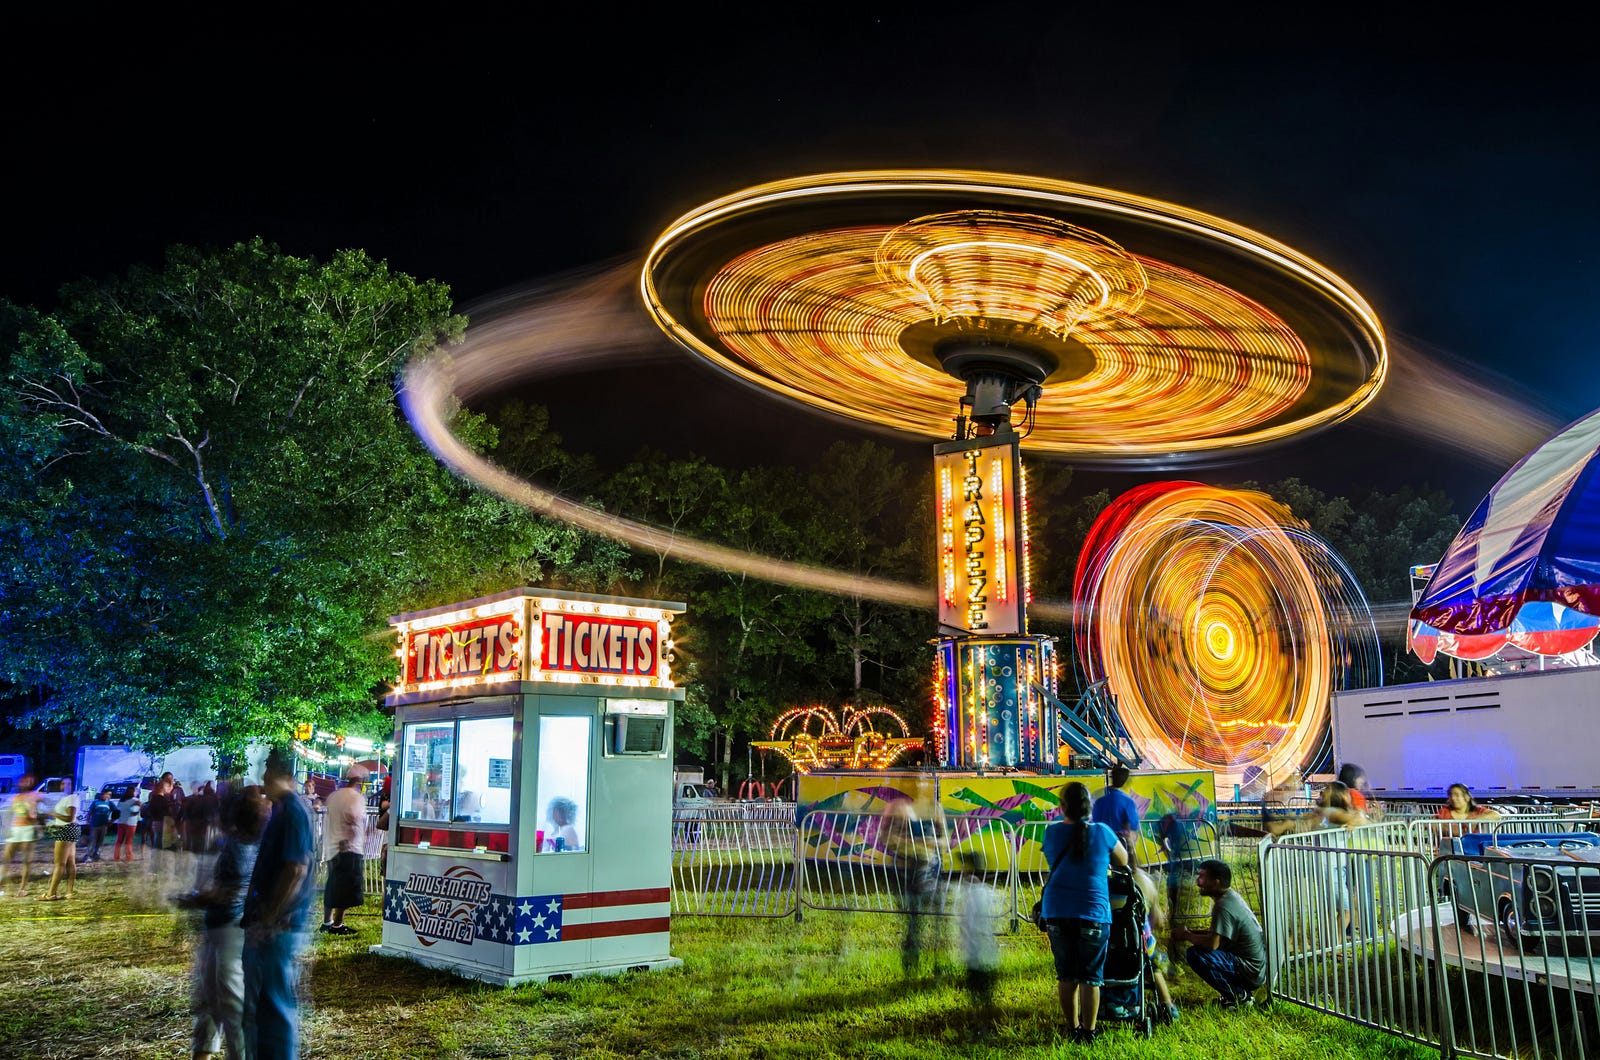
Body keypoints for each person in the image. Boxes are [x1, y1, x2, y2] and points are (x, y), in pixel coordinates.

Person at [241, 748, 317, 1060]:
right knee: (263, 1005)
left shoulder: (293, 811)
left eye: (267, 769)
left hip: (279, 928)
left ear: (280, 772)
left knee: (273, 1007)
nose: (262, 777)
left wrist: (269, 919)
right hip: (272, 925)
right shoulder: (283, 809)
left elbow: (295, 869)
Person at [1042, 781, 1128, 1043]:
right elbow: (1122, 861)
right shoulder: (1102, 832)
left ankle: (1072, 1028)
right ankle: (1089, 1032)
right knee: (1092, 976)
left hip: (1056, 911)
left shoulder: (1051, 832)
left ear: (1062, 807)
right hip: (1092, 911)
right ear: (1089, 807)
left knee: (1066, 975)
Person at [187, 784, 266, 1060]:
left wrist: (192, 899)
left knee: (231, 1004)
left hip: (230, 929)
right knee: (211, 999)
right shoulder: (243, 841)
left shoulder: (240, 845)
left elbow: (225, 893)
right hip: (222, 927)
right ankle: (203, 1052)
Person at [1171, 859, 1265, 1007]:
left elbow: (1212, 944)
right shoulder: (1229, 897)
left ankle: (1238, 995)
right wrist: (1189, 931)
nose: (1198, 882)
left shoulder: (1223, 906)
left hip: (1249, 970)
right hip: (1254, 968)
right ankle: (1238, 993)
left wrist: (1186, 935)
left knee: (1196, 955)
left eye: (1202, 877)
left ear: (1216, 882)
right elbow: (1216, 934)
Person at [882, 776, 946, 979]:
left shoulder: (934, 809)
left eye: (924, 782)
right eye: (916, 782)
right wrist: (913, 849)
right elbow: (886, 837)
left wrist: (933, 846)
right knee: (913, 920)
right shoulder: (897, 808)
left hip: (931, 869)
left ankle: (938, 966)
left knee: (938, 921)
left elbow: (945, 838)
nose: (921, 786)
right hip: (906, 872)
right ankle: (911, 965)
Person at [319, 769, 367, 935]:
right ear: (359, 782)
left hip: (332, 846)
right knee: (345, 888)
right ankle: (338, 925)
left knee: (332, 884)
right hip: (349, 847)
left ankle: (327, 921)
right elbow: (354, 817)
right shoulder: (355, 798)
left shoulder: (334, 796)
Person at [956, 851, 1000, 1033]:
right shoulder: (989, 892)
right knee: (985, 994)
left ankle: (981, 1025)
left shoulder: (971, 895)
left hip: (976, 957)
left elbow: (970, 926)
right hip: (988, 956)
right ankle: (986, 1023)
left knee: (977, 994)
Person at [1131, 866, 1180, 1024]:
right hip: (1142, 945)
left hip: (1111, 943)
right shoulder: (1144, 881)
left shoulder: (1103, 880)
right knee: (1152, 966)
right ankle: (1168, 1005)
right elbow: (1157, 920)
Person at [1091, 765, 1142, 866]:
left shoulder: (1099, 801)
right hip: (1119, 846)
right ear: (1125, 782)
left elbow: (1095, 822)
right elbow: (1131, 826)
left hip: (1101, 845)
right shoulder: (1128, 802)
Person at [1, 775, 40, 897]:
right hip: (15, 829)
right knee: (6, 859)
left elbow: (34, 816)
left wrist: (32, 815)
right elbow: (9, 813)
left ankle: (23, 888)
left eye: (29, 781)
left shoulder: (34, 796)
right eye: (23, 781)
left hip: (27, 830)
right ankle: (1, 884)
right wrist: (6, 828)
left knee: (26, 861)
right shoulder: (16, 797)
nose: (25, 783)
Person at [41, 789, 81, 900]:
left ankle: (51, 894)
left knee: (60, 864)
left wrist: (54, 814)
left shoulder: (72, 798)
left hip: (66, 830)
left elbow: (70, 818)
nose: (64, 786)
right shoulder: (68, 798)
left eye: (67, 783)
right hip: (71, 829)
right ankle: (69, 892)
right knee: (70, 862)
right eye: (63, 783)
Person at [115, 785, 143, 861]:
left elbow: (118, 810)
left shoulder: (122, 800)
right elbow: (134, 812)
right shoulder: (136, 801)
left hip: (121, 822)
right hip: (131, 823)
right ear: (134, 792)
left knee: (119, 840)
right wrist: (140, 807)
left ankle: (116, 856)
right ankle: (129, 856)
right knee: (129, 841)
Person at [85, 788, 114, 862]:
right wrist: (88, 820)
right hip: (94, 824)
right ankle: (88, 856)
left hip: (104, 825)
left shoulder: (110, 803)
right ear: (102, 794)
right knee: (92, 840)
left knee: (100, 841)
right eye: (107, 794)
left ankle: (97, 855)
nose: (108, 796)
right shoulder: (96, 802)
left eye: (110, 795)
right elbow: (90, 812)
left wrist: (112, 821)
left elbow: (116, 812)